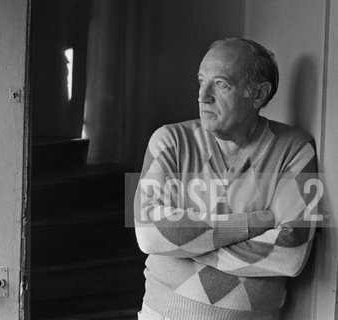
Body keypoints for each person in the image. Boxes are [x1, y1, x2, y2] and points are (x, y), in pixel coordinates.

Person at [134, 38, 319, 320]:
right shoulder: (170, 141)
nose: (202, 96)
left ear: (258, 95)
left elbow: (291, 254)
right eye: (201, 81)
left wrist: (183, 246)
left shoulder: (295, 149)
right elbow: (149, 234)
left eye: (221, 84)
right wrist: (256, 222)